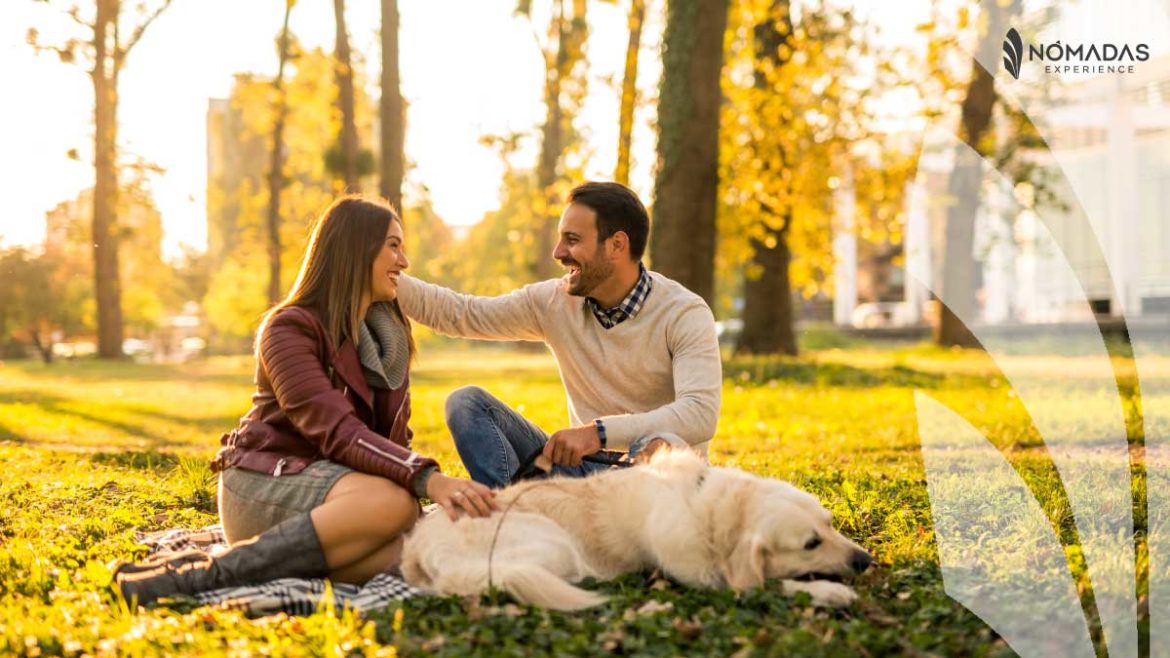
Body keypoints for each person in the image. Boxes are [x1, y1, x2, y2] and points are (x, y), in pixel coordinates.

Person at [115, 195, 495, 605]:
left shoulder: (390, 341)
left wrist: (412, 494)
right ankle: (204, 574)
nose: (404, 262)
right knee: (394, 504)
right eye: (393, 246)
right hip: (267, 484)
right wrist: (429, 479)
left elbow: (392, 442)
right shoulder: (288, 329)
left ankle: (271, 564)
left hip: (348, 499)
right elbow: (338, 432)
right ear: (355, 249)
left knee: (418, 549)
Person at [397, 181, 722, 488]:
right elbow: (462, 314)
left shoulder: (684, 313)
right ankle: (512, 511)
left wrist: (598, 433)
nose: (557, 251)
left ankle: (533, 519)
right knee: (466, 403)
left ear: (617, 245)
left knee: (663, 445)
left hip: (644, 475)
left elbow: (699, 412)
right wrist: (379, 270)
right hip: (578, 471)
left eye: (572, 239)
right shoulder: (555, 301)